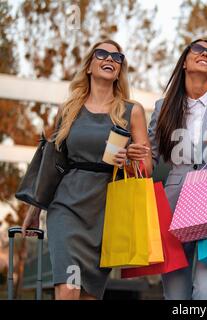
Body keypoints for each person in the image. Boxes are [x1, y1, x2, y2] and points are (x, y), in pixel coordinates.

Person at [21, 39, 151, 300]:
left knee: (89, 294)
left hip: (107, 213)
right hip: (66, 208)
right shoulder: (69, 109)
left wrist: (128, 161)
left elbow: (146, 168)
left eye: (117, 57)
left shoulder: (131, 111)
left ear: (120, 69)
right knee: (69, 288)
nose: (110, 59)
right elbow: (52, 165)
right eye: (102, 54)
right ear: (90, 66)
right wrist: (34, 210)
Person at [135, 39, 207, 300]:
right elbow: (151, 157)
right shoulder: (164, 107)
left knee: (205, 292)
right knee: (175, 295)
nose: (205, 54)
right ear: (184, 61)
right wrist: (134, 155)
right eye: (198, 50)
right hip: (174, 203)